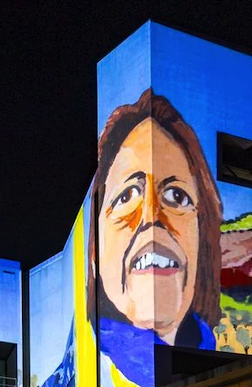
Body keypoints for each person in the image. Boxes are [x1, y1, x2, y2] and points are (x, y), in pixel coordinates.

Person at [89, 87, 223, 367]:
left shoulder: (222, 365)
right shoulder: (89, 382)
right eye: (126, 197)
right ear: (94, 252)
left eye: (176, 195)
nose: (151, 215)